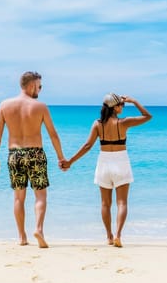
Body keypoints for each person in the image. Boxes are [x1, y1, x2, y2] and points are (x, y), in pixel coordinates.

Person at [64, 93, 152, 247]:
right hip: (121, 162)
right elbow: (147, 116)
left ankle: (109, 237)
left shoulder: (97, 124)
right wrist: (134, 101)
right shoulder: (124, 123)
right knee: (122, 202)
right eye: (122, 105)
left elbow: (87, 146)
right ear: (115, 107)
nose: (123, 107)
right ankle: (118, 235)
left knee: (105, 204)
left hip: (104, 164)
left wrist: (70, 161)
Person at [0, 71, 67, 248]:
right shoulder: (40, 107)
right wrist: (61, 157)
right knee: (40, 195)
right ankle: (39, 229)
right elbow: (53, 135)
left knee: (18, 197)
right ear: (32, 85)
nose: (40, 90)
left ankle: (22, 237)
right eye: (39, 86)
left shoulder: (5, 105)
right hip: (36, 154)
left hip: (14, 155)